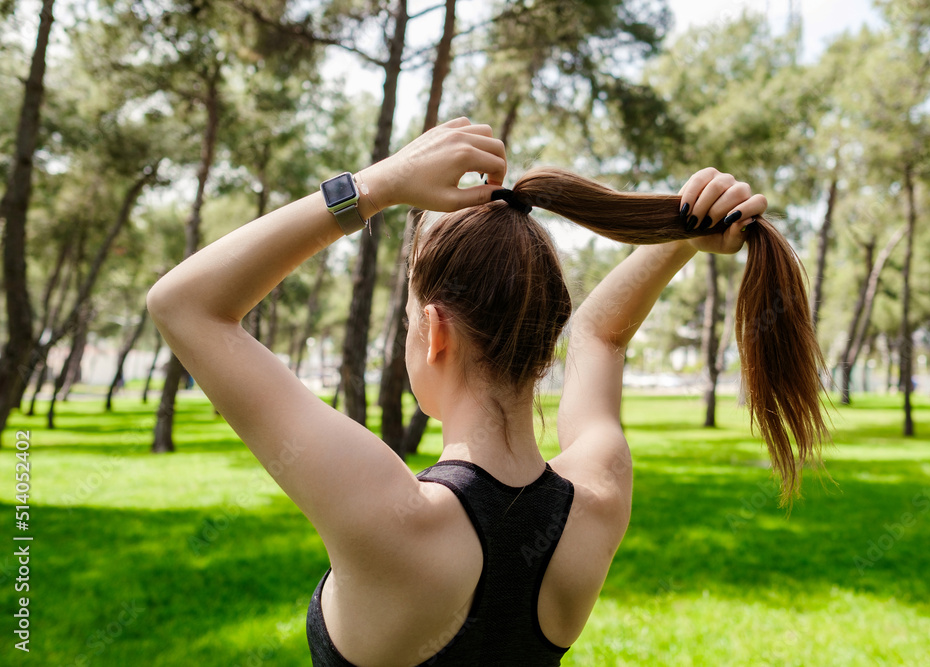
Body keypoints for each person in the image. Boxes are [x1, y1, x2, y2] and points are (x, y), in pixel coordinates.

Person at [147, 118, 823, 666]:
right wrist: (683, 234)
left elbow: (186, 304)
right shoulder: (597, 496)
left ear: (433, 331)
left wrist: (377, 185)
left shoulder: (389, 516)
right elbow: (602, 337)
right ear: (543, 336)